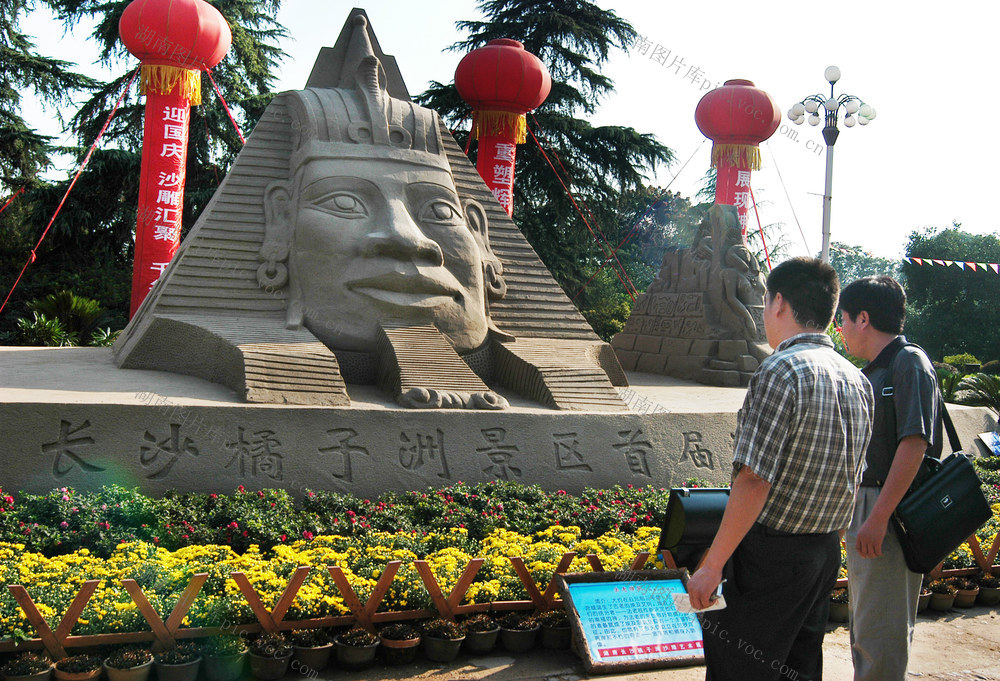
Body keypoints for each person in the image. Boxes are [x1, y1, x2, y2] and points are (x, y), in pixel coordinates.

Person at [687, 257, 873, 681]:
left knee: (739, 667)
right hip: (822, 553)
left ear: (778, 304)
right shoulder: (856, 379)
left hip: (770, 557)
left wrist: (712, 565)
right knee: (798, 665)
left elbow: (753, 479)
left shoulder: (780, 370)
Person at [838, 275, 941, 681]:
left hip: (890, 512)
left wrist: (878, 517)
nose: (840, 328)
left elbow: (914, 443)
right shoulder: (876, 370)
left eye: (843, 318)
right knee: (867, 624)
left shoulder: (908, 363)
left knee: (882, 630)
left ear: (863, 318)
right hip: (873, 507)